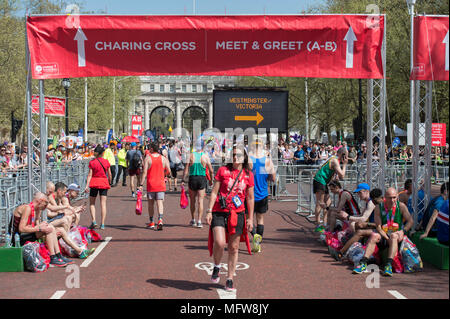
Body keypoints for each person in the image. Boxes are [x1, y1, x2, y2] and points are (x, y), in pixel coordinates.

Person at [206, 146, 254, 292]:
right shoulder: (222, 171)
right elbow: (214, 193)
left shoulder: (248, 174)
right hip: (219, 211)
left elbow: (250, 198)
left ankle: (230, 278)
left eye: (238, 155)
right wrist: (209, 211)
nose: (235, 157)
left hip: (238, 213)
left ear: (244, 157)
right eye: (232, 155)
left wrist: (250, 218)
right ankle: (217, 266)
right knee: (220, 242)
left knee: (233, 247)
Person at [353, 187, 413, 276]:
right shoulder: (378, 207)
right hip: (384, 234)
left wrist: (403, 231)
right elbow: (378, 227)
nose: (392, 200)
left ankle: (388, 265)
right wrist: (386, 237)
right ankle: (363, 263)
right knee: (374, 236)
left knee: (394, 236)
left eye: (394, 197)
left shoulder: (401, 206)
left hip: (396, 234)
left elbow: (410, 221)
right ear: (385, 197)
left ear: (397, 197)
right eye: (390, 197)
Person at [12, 192, 73, 267]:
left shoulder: (37, 209)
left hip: (27, 234)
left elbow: (35, 224)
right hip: (17, 238)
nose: (46, 206)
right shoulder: (27, 208)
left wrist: (41, 226)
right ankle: (53, 257)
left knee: (50, 228)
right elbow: (21, 229)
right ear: (40, 201)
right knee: (49, 229)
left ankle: (58, 255)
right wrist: (39, 228)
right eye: (46, 203)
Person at [329, 187, 383, 261]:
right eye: (357, 193)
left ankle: (341, 253)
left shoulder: (373, 203)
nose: (358, 195)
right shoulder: (372, 203)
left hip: (379, 228)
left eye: (360, 192)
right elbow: (362, 216)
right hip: (376, 226)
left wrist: (348, 217)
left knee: (359, 229)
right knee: (357, 225)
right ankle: (348, 248)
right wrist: (349, 217)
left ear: (367, 192)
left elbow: (365, 219)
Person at [248, 138, 276, 253]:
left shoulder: (249, 159)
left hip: (249, 194)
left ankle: (254, 235)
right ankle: (258, 243)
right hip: (263, 193)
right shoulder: (268, 161)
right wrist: (266, 177)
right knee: (260, 219)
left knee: (247, 218)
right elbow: (273, 178)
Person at [312, 147, 348, 232]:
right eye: (346, 156)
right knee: (320, 203)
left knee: (328, 204)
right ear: (342, 155)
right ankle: (317, 224)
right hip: (319, 180)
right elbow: (342, 175)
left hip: (324, 182)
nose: (347, 158)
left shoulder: (336, 160)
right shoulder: (335, 160)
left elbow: (338, 176)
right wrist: (345, 165)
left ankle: (325, 224)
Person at [139, 142, 171, 231]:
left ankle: (152, 222)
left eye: (149, 148)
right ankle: (160, 219)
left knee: (150, 204)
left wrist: (141, 184)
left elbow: (144, 172)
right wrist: (164, 174)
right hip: (160, 184)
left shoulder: (148, 159)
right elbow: (169, 171)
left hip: (151, 184)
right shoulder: (163, 159)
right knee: (160, 202)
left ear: (152, 149)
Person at [182, 143, 214, 228]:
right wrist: (211, 180)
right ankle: (199, 221)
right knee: (201, 201)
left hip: (192, 178)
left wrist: (183, 180)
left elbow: (186, 169)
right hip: (202, 179)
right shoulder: (205, 156)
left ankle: (193, 220)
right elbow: (211, 170)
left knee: (192, 201)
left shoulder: (191, 155)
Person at [84, 145, 111, 230]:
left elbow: (89, 175)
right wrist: (110, 181)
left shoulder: (92, 162)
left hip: (94, 182)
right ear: (103, 153)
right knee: (103, 204)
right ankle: (102, 223)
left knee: (92, 203)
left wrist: (87, 185)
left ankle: (94, 221)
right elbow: (109, 174)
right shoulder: (106, 162)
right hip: (103, 182)